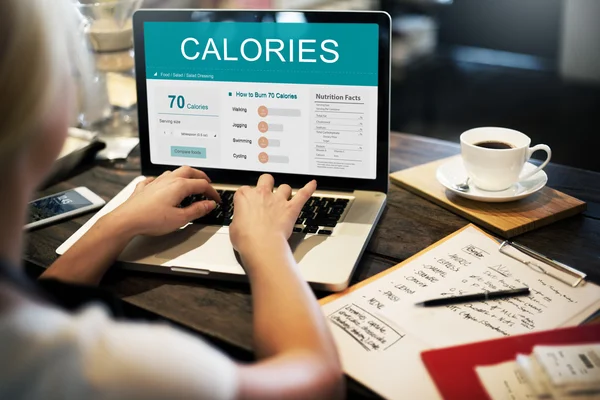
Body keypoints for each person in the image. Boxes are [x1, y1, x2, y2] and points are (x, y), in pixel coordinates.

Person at [0, 1, 343, 399]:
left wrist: (118, 223)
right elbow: (318, 382)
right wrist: (266, 245)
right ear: (43, 111)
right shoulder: (109, 369)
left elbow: (45, 304)